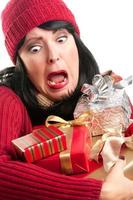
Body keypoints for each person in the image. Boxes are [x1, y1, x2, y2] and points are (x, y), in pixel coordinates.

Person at [0, 0, 133, 199]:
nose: (53, 56)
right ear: (21, 64)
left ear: (77, 45)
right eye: (35, 48)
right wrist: (101, 193)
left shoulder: (108, 93)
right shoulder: (6, 99)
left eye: (61, 39)